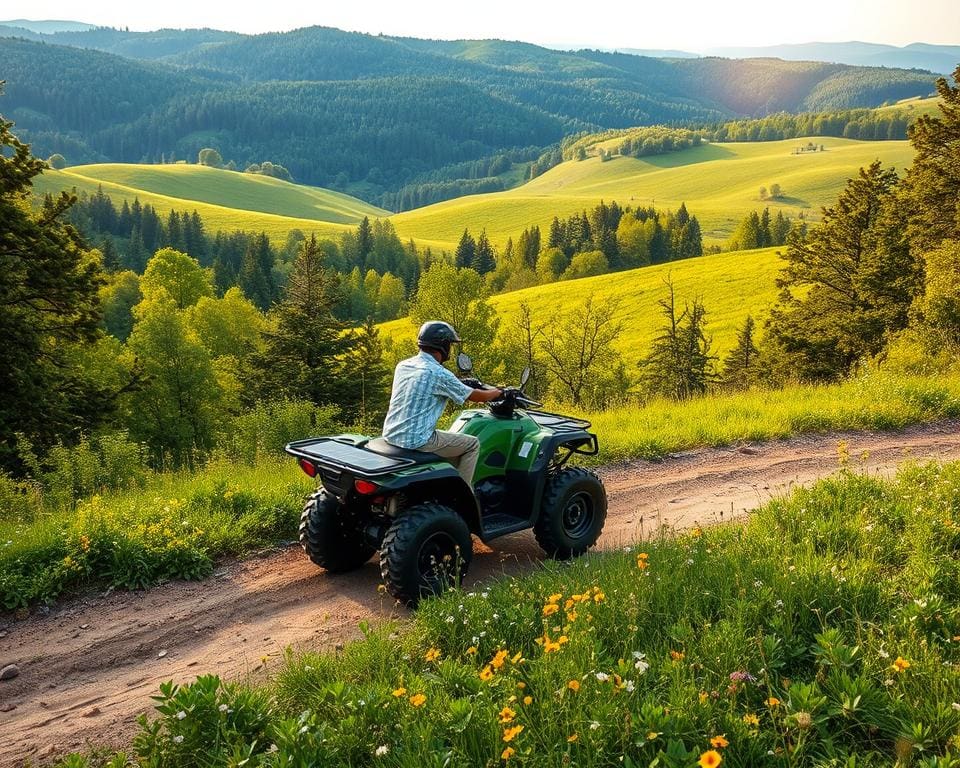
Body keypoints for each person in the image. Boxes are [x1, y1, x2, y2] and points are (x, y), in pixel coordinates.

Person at [381, 321, 503, 485]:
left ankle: (445, 480)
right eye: (450, 345)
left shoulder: (403, 366)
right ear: (443, 345)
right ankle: (462, 495)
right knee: (472, 444)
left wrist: (460, 384)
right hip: (418, 440)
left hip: (392, 435)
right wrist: (497, 392)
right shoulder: (438, 373)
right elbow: (475, 396)